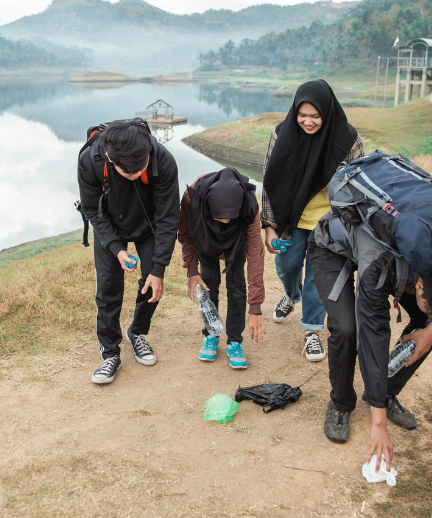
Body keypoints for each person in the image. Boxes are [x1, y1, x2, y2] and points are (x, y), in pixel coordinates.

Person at [307, 154, 432, 473]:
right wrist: (379, 425)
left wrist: (430, 328)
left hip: (389, 256)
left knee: (431, 321)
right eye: (426, 302)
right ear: (418, 286)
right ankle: (341, 402)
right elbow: (374, 337)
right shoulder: (378, 268)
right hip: (331, 250)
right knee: (348, 329)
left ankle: (386, 393)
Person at [261, 80, 365, 362]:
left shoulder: (348, 140)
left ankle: (311, 332)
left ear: (327, 112)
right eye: (302, 114)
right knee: (286, 265)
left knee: (317, 280)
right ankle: (290, 296)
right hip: (291, 222)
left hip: (331, 225)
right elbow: (270, 182)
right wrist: (270, 228)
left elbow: (359, 186)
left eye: (315, 116)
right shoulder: (281, 134)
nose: (307, 121)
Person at [77, 119, 180, 384]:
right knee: (109, 288)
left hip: (148, 226)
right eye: (128, 172)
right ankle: (110, 351)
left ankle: (137, 332)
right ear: (111, 159)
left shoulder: (163, 160)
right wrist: (116, 248)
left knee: (152, 283)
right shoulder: (91, 160)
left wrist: (158, 269)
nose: (135, 174)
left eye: (141, 168)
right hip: (108, 223)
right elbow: (91, 209)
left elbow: (169, 217)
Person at [178, 166, 265, 369]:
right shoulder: (192, 197)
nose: (225, 221)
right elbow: (185, 235)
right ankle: (211, 333)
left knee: (236, 284)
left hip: (237, 239)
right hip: (204, 236)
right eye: (219, 217)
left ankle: (234, 340)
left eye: (229, 217)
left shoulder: (249, 206)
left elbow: (255, 255)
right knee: (209, 283)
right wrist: (192, 270)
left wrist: (256, 308)